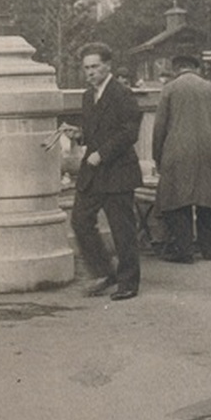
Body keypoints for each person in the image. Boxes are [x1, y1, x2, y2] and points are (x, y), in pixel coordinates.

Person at [68, 42, 142, 301]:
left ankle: (128, 282)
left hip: (117, 170)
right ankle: (103, 272)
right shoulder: (89, 96)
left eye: (95, 67)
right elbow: (94, 131)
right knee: (79, 220)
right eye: (86, 68)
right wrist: (79, 135)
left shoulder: (122, 93)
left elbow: (130, 131)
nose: (90, 72)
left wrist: (103, 153)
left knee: (122, 229)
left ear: (107, 66)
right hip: (94, 171)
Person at [151, 54, 211, 263]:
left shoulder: (169, 89)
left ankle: (184, 250)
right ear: (196, 68)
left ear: (177, 68)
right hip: (207, 151)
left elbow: (159, 128)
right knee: (206, 200)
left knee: (178, 201)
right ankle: (208, 248)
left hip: (178, 152)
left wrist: (157, 156)